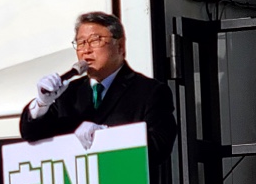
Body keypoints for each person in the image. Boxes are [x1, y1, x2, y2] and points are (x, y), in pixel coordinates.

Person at [19, 11, 177, 162]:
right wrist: (42, 103)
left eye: (95, 40)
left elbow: (159, 146)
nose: (86, 50)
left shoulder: (150, 91)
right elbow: (31, 134)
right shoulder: (68, 93)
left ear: (120, 46)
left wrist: (107, 136)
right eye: (81, 43)